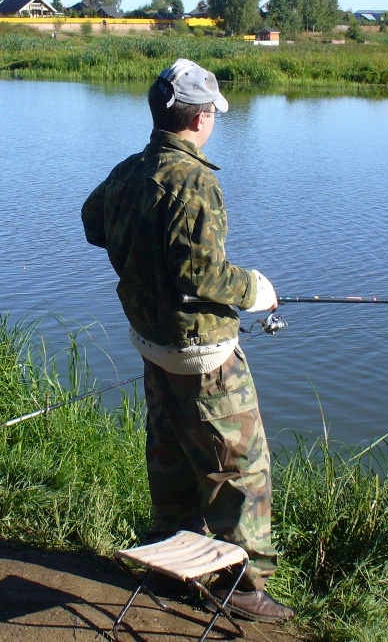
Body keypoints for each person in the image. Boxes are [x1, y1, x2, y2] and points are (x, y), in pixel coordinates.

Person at [81, 58, 294, 622]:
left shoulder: (129, 170)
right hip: (205, 354)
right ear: (200, 118)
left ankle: (168, 554)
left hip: (151, 344)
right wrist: (257, 290)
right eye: (213, 114)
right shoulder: (195, 181)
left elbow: (91, 222)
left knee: (171, 450)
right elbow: (202, 276)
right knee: (240, 466)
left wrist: (139, 257)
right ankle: (244, 586)